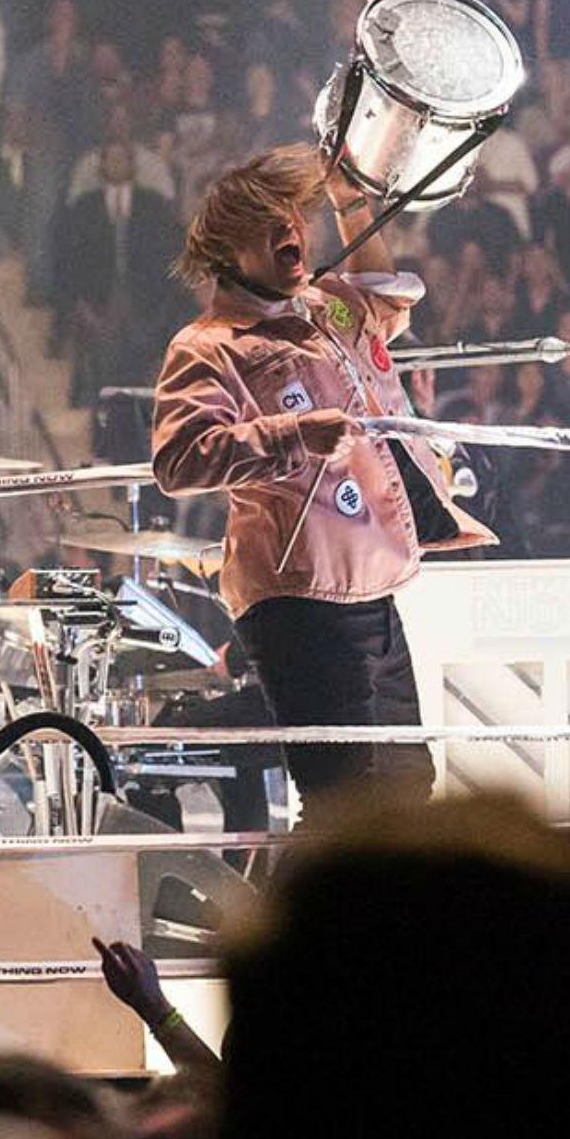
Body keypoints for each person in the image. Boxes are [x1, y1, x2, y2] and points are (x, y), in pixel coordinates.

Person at [151, 143, 495, 816]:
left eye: (293, 216)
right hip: (298, 593)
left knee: (406, 788)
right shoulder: (209, 344)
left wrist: (348, 199)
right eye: (268, 224)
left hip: (373, 581)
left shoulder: (322, 308)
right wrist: (292, 435)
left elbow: (384, 301)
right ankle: (301, 922)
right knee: (345, 803)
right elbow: (180, 459)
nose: (291, 231)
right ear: (228, 249)